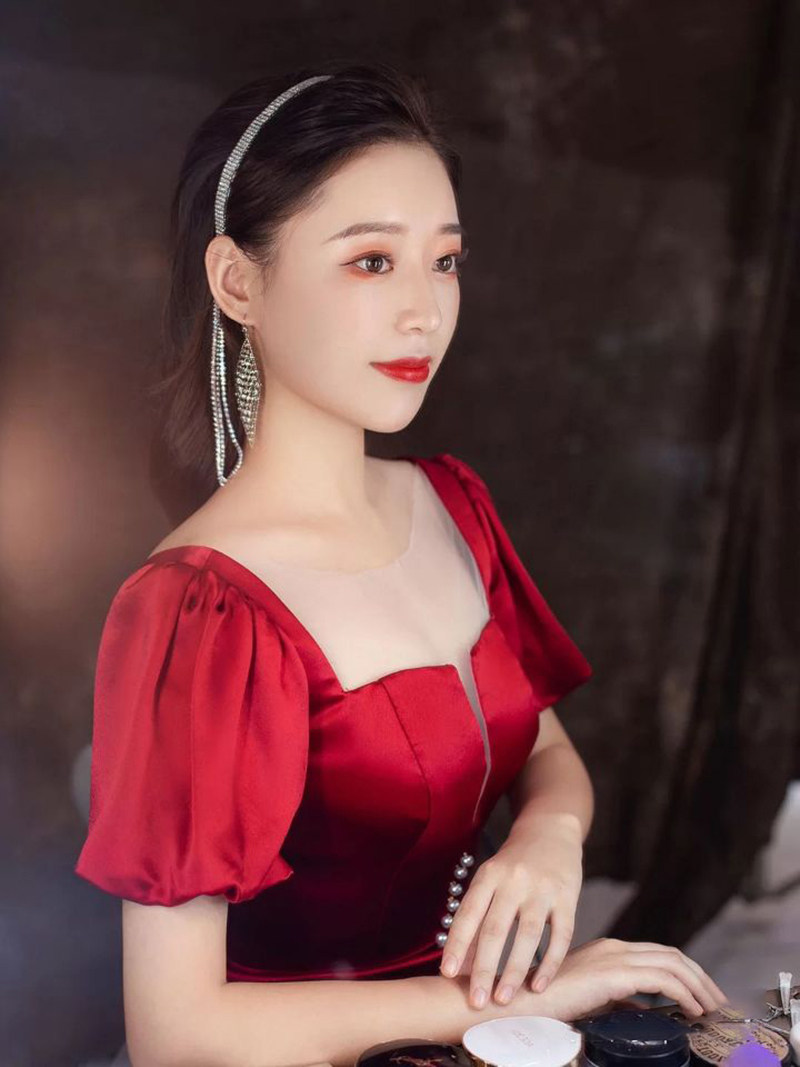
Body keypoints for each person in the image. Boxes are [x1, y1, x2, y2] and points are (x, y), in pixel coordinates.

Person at [75, 60, 728, 1067]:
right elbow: (175, 1035)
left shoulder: (450, 502)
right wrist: (515, 997)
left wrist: (547, 837)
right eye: (372, 261)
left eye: (445, 260)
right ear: (237, 281)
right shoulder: (199, 607)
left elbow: (547, 753)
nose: (425, 310)